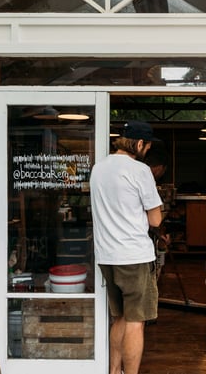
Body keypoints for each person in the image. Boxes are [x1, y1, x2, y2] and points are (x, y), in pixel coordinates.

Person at [90, 120, 163, 374]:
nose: (148, 151)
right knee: (136, 322)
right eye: (148, 146)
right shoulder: (140, 171)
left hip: (107, 255)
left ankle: (114, 371)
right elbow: (156, 220)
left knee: (119, 317)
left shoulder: (98, 169)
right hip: (133, 256)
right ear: (139, 143)